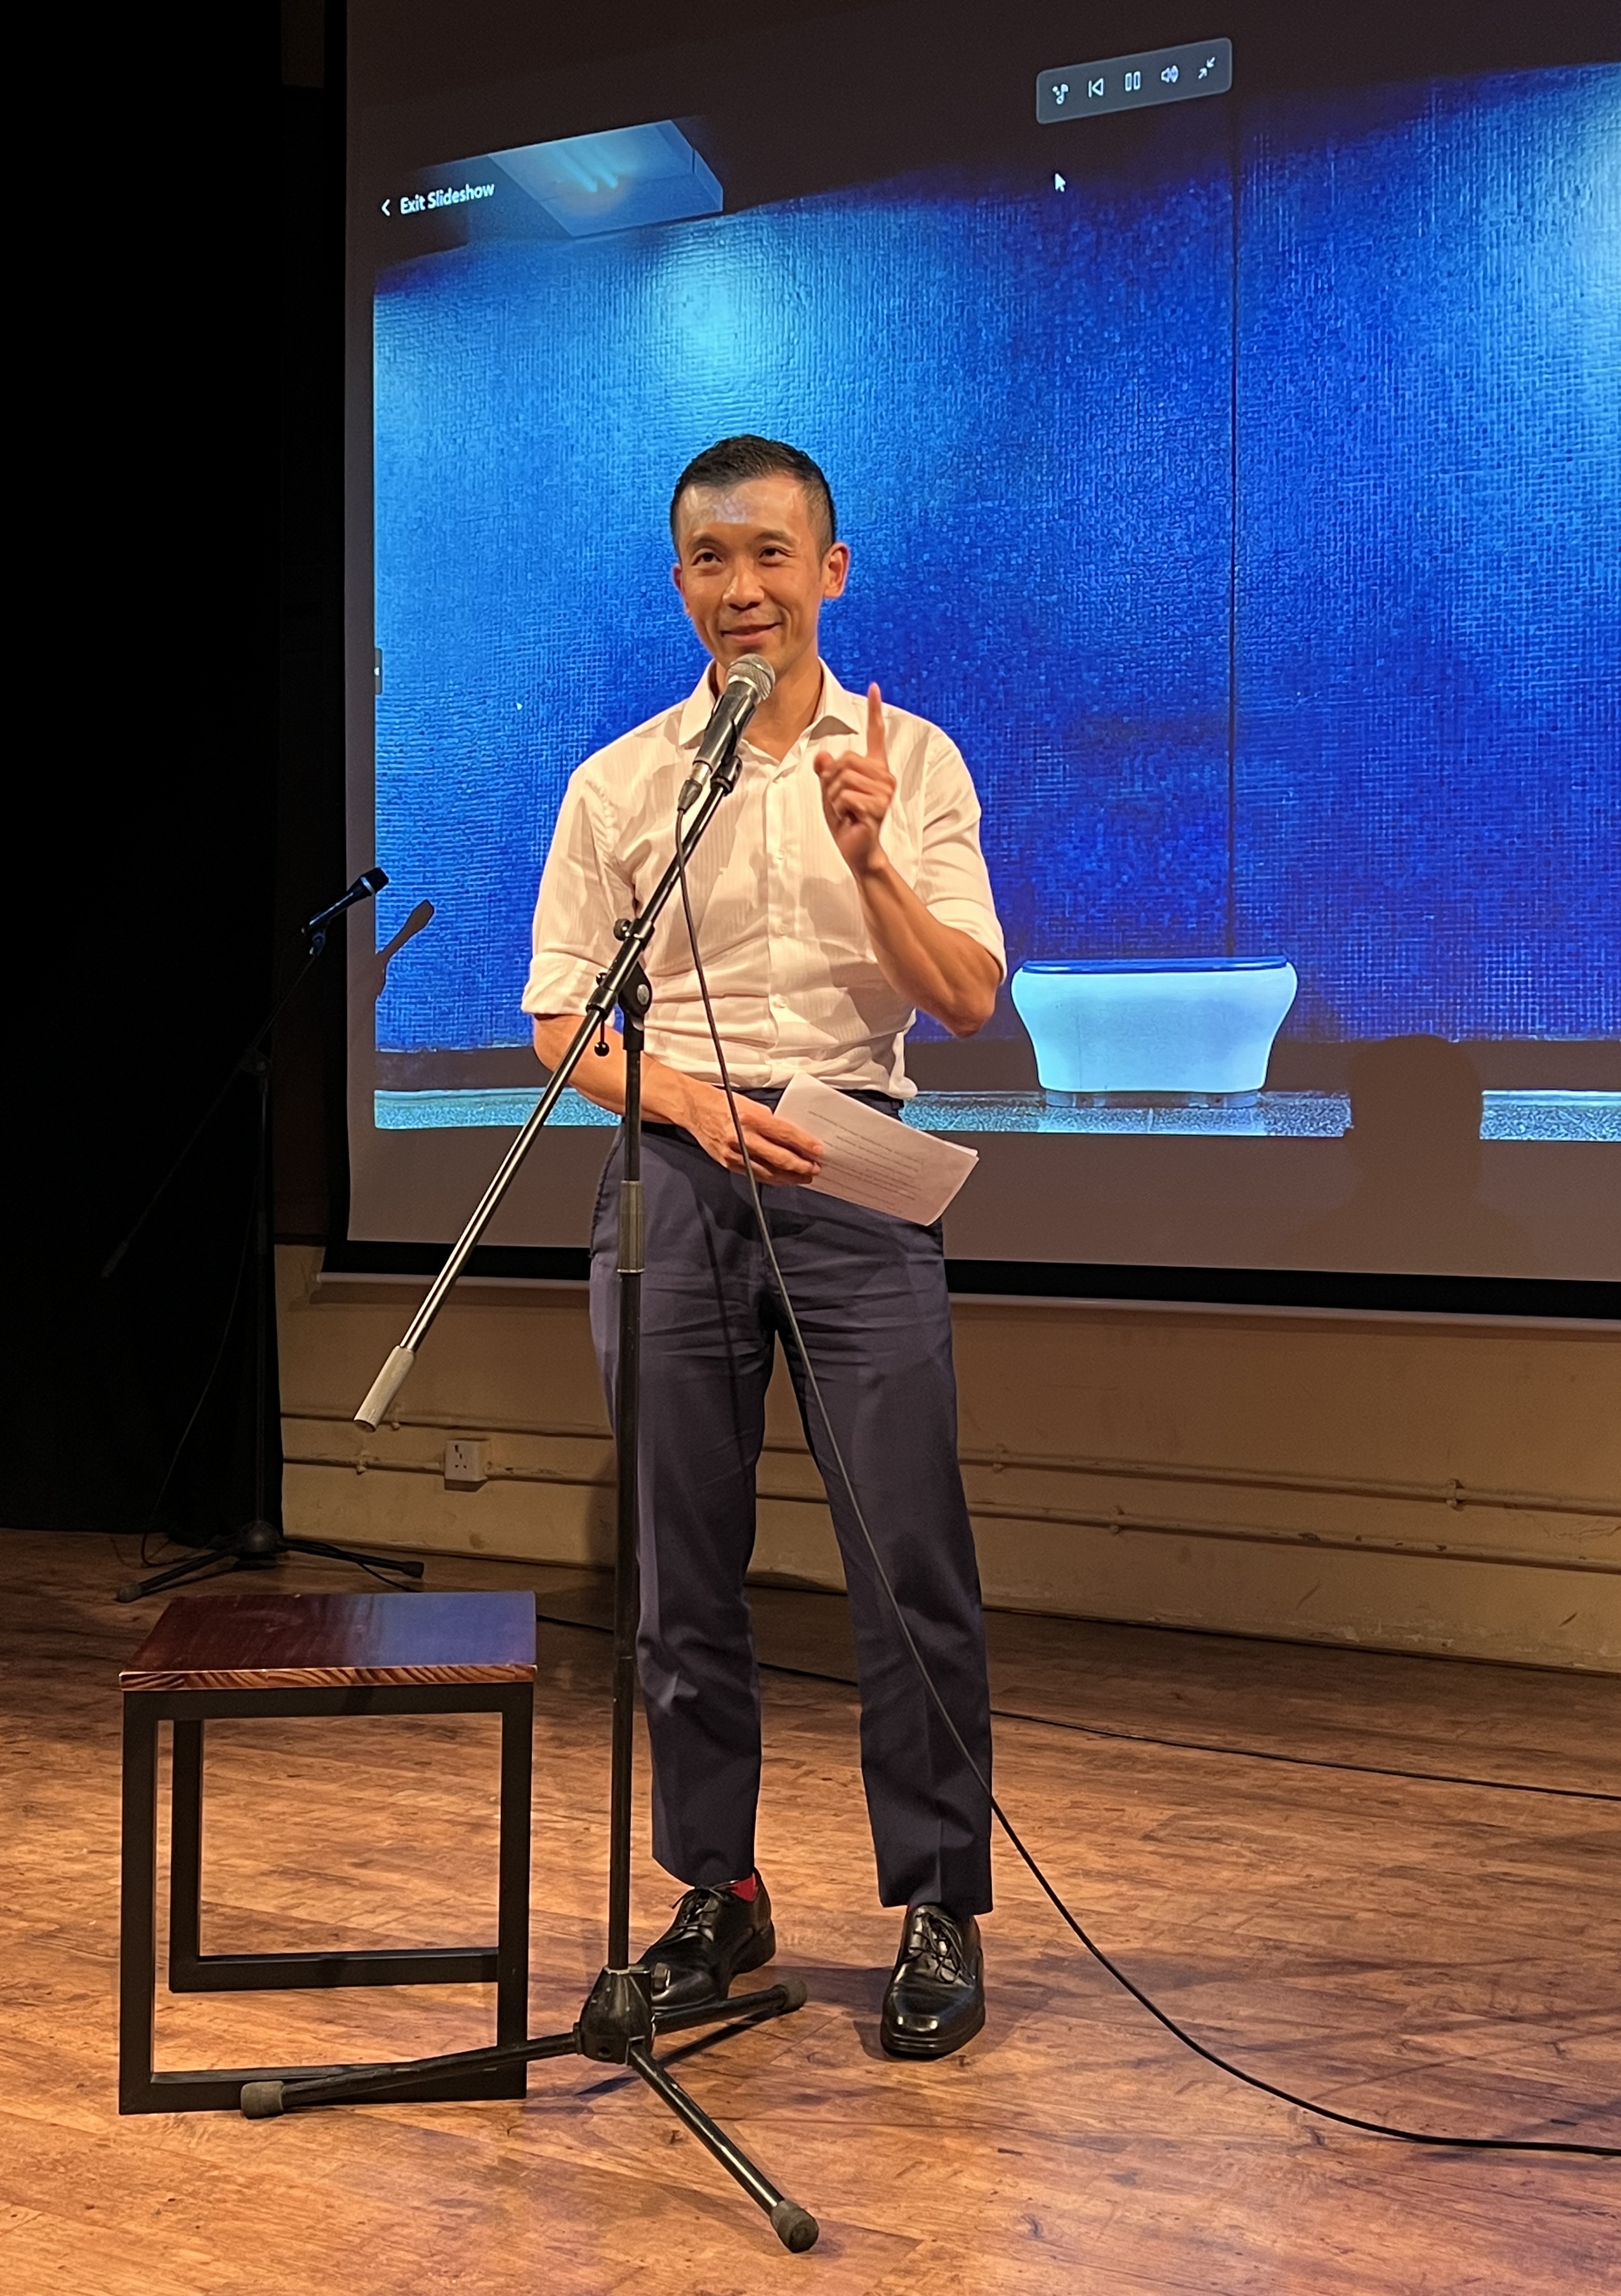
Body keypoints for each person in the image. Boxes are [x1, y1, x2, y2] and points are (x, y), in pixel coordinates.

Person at [524, 434, 1004, 2059]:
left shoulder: (912, 759)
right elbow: (560, 1022)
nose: (745, 588)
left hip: (854, 1160)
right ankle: (715, 1894)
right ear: (682, 584)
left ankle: (936, 1899)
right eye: (713, 561)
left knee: (909, 1558)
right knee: (679, 1570)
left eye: (773, 556)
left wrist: (871, 861)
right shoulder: (623, 784)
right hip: (676, 1174)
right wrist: (691, 1104)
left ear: (830, 572)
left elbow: (966, 996)